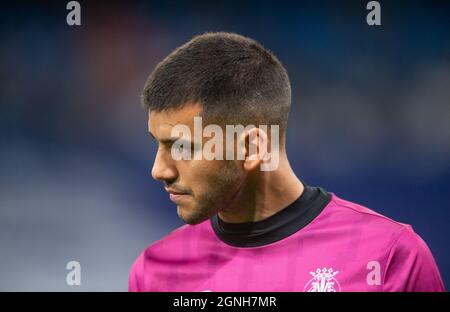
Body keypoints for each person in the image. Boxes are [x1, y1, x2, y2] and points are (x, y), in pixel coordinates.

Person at [129, 32, 445, 292]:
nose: (159, 170)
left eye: (182, 146)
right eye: (157, 145)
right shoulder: (154, 272)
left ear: (252, 147)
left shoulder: (390, 256)